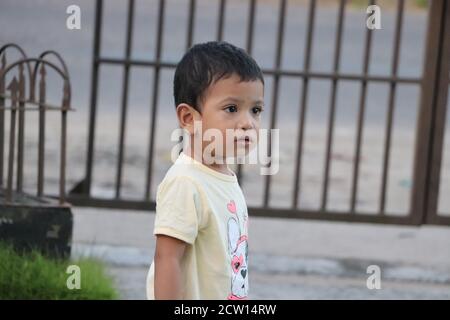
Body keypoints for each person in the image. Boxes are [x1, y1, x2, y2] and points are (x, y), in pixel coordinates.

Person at [146, 41, 264, 300]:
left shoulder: (224, 178)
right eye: (232, 109)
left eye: (255, 110)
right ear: (189, 118)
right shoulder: (186, 182)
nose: (248, 123)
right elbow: (167, 259)